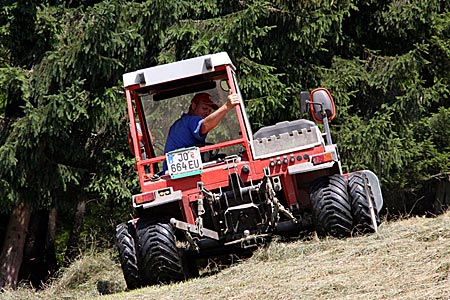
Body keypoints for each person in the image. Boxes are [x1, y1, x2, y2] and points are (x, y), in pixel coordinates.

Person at [163, 92, 240, 172]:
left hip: (173, 171)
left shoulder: (180, 124)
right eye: (204, 108)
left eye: (210, 110)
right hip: (180, 172)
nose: (207, 113)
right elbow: (204, 126)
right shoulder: (191, 121)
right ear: (193, 106)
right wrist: (226, 107)